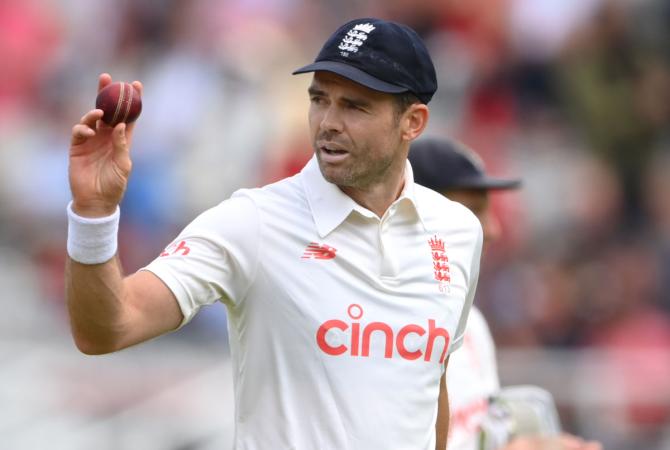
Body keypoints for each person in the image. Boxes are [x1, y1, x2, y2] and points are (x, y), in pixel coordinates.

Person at [66, 18, 483, 450]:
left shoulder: (458, 230)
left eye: (355, 106)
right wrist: (93, 214)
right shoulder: (254, 221)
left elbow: (431, 387)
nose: (328, 123)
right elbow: (107, 329)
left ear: (412, 122)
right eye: (320, 99)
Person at [409, 138, 602, 450]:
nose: (493, 229)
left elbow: (479, 437)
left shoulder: (471, 323)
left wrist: (537, 445)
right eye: (473, 211)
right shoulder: (374, 327)